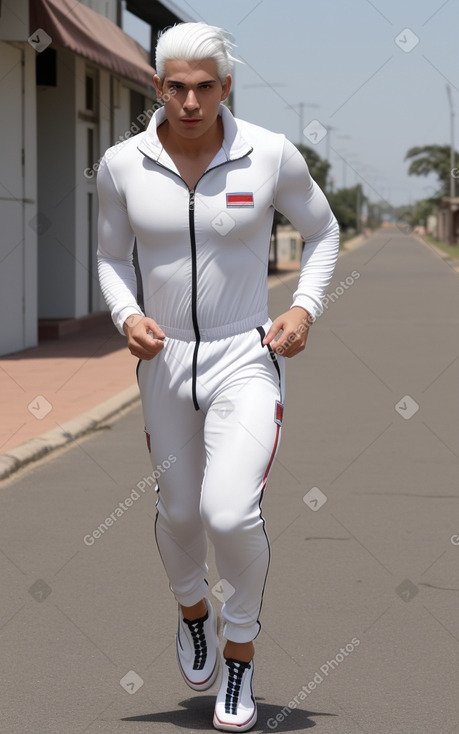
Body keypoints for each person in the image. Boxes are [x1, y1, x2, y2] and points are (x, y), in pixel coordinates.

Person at [97, 22, 339, 733]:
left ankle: (239, 651)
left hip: (245, 355)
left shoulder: (268, 154)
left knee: (228, 512)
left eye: (205, 87)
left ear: (225, 87)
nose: (191, 101)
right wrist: (124, 315)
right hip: (163, 361)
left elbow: (321, 232)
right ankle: (191, 611)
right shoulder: (120, 164)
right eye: (176, 86)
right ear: (157, 86)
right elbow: (111, 257)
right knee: (178, 513)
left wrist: (304, 307)